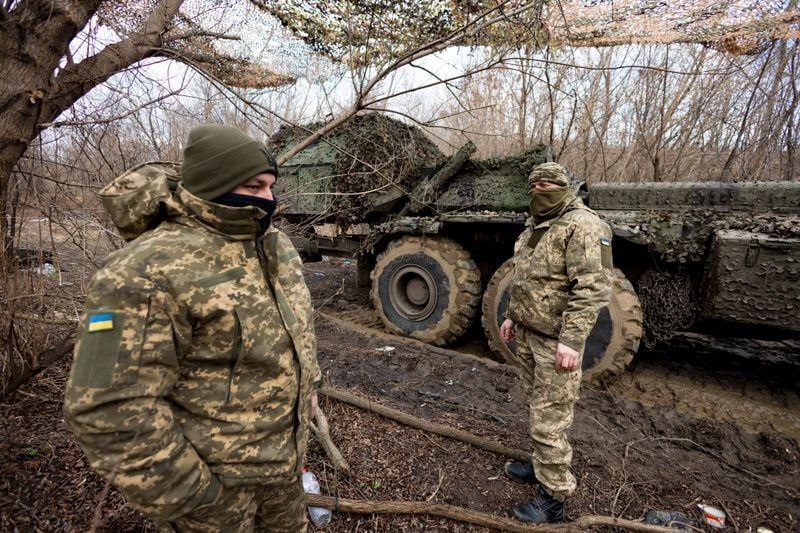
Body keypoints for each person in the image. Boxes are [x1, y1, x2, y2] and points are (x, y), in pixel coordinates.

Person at [63, 124, 321, 532]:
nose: (268, 200)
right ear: (213, 184)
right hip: (215, 492)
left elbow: (293, 335)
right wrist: (196, 497)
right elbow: (109, 408)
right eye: (254, 187)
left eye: (271, 187)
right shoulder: (143, 271)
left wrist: (307, 393)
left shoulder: (273, 246)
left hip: (284, 474)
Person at [499, 162, 612, 524]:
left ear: (565, 187)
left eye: (548, 185)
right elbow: (528, 277)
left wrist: (572, 341)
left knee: (551, 418)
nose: (540, 190)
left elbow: (592, 289)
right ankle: (541, 467)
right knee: (536, 407)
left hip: (556, 342)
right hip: (530, 334)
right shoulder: (538, 223)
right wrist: (512, 316)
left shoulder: (584, 226)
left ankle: (554, 497)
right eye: (534, 186)